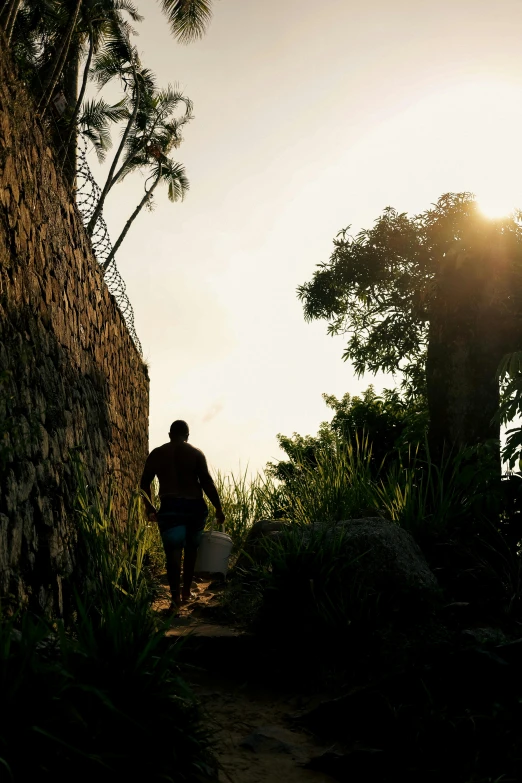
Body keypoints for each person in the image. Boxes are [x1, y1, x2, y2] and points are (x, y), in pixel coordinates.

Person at [140, 420, 225, 613]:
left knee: (173, 552)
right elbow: (207, 482)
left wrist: (149, 507)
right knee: (191, 549)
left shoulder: (157, 454)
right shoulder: (195, 453)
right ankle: (187, 591)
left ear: (170, 434)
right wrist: (218, 508)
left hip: (170, 506)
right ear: (187, 436)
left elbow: (144, 482)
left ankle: (175, 596)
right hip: (194, 505)